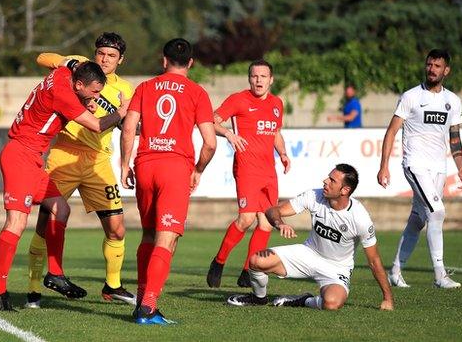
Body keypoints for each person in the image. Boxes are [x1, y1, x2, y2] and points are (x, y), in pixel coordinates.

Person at [0, 60, 127, 311]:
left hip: (32, 158)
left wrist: (86, 100)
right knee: (16, 223)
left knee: (60, 209)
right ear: (79, 84)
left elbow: (66, 62)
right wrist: (121, 112)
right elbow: (96, 126)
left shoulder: (63, 73)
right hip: (20, 156)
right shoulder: (63, 94)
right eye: (94, 92)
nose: (97, 96)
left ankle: (55, 274)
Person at [25, 32, 136, 308]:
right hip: (65, 153)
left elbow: (128, 129)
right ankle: (34, 288)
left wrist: (125, 163)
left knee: (117, 228)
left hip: (98, 160)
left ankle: (112, 286)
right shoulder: (80, 66)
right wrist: (68, 63)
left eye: (111, 56)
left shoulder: (126, 90)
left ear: (120, 60)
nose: (104, 59)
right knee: (44, 224)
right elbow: (41, 58)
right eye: (101, 53)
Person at [121, 38, 217, 324]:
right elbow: (210, 143)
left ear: (163, 60)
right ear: (190, 63)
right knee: (167, 237)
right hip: (175, 168)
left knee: (149, 235)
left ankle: (142, 299)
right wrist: (198, 169)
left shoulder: (145, 87)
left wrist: (125, 165)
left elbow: (128, 128)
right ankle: (148, 307)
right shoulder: (197, 92)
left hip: (146, 165)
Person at [227, 164, 394, 311]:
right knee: (256, 261)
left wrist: (387, 298)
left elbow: (374, 261)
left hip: (337, 268)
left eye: (332, 180)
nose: (325, 181)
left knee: (332, 304)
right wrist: (280, 223)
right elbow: (273, 210)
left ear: (345, 190)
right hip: (308, 253)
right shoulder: (315, 196)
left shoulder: (360, 218)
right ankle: (258, 298)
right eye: (328, 177)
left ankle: (304, 300)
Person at [377, 48, 462, 289]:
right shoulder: (411, 96)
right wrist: (383, 166)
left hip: (439, 167)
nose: (432, 69)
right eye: (429, 65)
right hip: (415, 164)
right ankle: (440, 275)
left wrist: (461, 169)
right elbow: (392, 131)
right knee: (437, 212)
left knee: (418, 219)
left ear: (446, 70)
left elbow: (455, 137)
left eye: (437, 66)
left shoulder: (453, 101)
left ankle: (395, 271)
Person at [206, 59, 290, 288]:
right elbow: (210, 121)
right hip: (246, 168)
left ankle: (248, 270)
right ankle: (219, 262)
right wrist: (228, 134)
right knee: (246, 219)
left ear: (271, 80)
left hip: (268, 172)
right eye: (254, 76)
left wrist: (282, 153)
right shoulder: (239, 100)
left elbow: (276, 133)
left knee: (265, 223)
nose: (258, 80)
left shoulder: (276, 104)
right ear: (249, 79)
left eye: (263, 76)